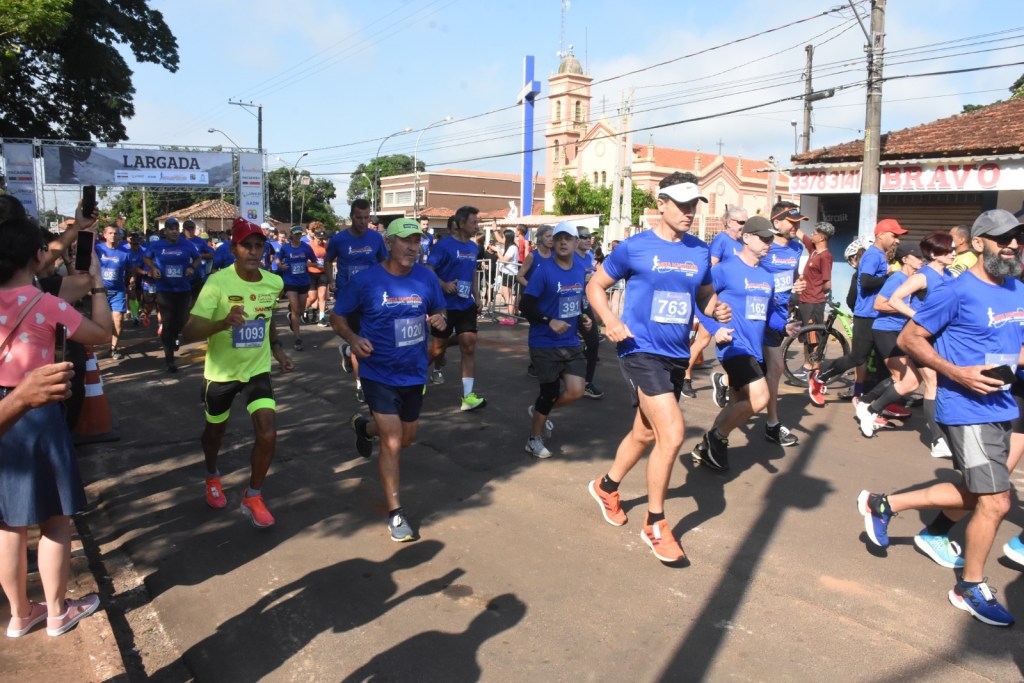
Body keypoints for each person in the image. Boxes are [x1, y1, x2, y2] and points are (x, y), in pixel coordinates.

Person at [859, 208, 1024, 627]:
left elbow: (1015, 347)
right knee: (997, 500)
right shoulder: (956, 290)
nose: (1012, 244)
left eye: (1016, 238)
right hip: (965, 408)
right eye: (1003, 238)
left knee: (979, 494)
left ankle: (884, 504)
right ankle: (969, 585)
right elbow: (909, 337)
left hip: (1002, 405)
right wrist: (955, 373)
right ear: (980, 243)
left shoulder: (1017, 290)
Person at [583, 172, 730, 564]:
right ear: (660, 204)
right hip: (639, 350)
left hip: (675, 354)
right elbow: (595, 286)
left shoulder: (699, 251)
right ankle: (655, 523)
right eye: (681, 204)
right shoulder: (635, 248)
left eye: (693, 204)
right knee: (673, 431)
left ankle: (606, 485)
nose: (688, 212)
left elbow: (704, 296)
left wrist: (717, 310)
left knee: (645, 432)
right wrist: (609, 321)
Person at [0, 216, 112, 638]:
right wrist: (97, 284)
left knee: (8, 523)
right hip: (39, 412)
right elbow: (101, 333)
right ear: (34, 256)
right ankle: (57, 611)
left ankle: (17, 614)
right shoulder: (46, 303)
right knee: (53, 519)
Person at [334, 218, 447, 542]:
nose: (413, 247)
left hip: (413, 372)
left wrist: (441, 318)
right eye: (406, 240)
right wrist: (353, 340)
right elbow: (337, 316)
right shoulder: (367, 280)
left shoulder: (426, 277)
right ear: (389, 243)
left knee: (406, 437)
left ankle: (363, 428)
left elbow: (440, 311)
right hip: (378, 372)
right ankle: (396, 512)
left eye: (417, 241)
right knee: (394, 440)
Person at [182, 217, 294, 529]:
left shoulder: (274, 283)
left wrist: (279, 351)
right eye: (247, 245)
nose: (254, 251)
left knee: (268, 433)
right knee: (215, 433)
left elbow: (268, 321)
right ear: (234, 249)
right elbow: (189, 331)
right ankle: (212, 476)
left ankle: (253, 495)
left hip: (257, 370)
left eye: (259, 246)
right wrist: (222, 323)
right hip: (221, 372)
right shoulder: (217, 282)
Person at [692, 216, 796, 471]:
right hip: (733, 346)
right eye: (764, 238)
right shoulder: (724, 269)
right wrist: (716, 329)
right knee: (759, 398)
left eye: (771, 238)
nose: (769, 243)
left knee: (737, 403)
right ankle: (716, 438)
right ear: (746, 237)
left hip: (755, 347)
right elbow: (698, 300)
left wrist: (783, 326)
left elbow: (768, 312)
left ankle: (706, 448)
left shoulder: (766, 275)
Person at [808, 218, 907, 405]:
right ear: (881, 235)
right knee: (858, 357)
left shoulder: (881, 255)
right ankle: (819, 378)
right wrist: (889, 275)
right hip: (866, 316)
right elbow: (867, 281)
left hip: (880, 315)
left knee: (884, 359)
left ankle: (880, 402)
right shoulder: (872, 255)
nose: (897, 241)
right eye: (894, 236)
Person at [519, 223, 589, 458]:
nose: (562, 242)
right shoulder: (544, 270)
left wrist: (584, 318)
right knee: (548, 393)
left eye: (567, 238)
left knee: (577, 390)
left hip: (569, 342)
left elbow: (576, 302)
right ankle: (533, 439)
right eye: (558, 238)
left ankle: (541, 410)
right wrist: (549, 320)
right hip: (544, 341)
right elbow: (525, 305)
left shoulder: (580, 269)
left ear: (575, 242)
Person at [884, 231, 956, 456]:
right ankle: (937, 440)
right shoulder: (922, 276)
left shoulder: (950, 275)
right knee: (931, 383)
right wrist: (917, 316)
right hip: (921, 338)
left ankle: (870, 405)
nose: (953, 253)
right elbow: (895, 299)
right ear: (934, 253)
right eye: (948, 250)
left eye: (954, 249)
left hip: (943, 337)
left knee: (941, 383)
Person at [853, 242, 925, 437]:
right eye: (917, 256)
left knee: (900, 378)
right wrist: (904, 309)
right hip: (885, 331)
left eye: (922, 257)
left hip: (899, 333)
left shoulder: (914, 279)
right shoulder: (897, 279)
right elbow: (879, 304)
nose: (922, 259)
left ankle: (866, 403)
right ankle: (870, 408)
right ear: (906, 259)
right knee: (906, 378)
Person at [326, 199, 388, 403]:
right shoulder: (339, 239)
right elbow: (328, 259)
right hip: (348, 296)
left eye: (366, 218)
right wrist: (330, 280)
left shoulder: (376, 239)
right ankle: (360, 384)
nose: (363, 222)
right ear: (351, 216)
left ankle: (349, 352)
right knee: (358, 339)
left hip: (371, 297)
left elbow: (383, 263)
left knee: (369, 338)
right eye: (359, 218)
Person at [426, 206, 487, 411]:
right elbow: (428, 270)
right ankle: (413, 377)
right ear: (461, 224)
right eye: (474, 222)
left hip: (465, 304)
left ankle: (468, 396)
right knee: (437, 348)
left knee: (469, 344)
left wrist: (477, 297)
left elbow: (472, 274)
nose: (476, 226)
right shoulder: (444, 246)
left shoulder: (472, 247)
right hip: (443, 306)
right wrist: (443, 285)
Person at [684, 206, 748, 399]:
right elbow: (710, 270)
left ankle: (726, 381)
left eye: (746, 222)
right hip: (716, 300)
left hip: (732, 301)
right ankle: (685, 377)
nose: (744, 226)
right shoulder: (722, 240)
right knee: (703, 340)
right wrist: (710, 299)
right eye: (741, 222)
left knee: (730, 340)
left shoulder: (740, 244)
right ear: (729, 222)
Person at [759, 201, 808, 447]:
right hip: (757, 315)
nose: (796, 227)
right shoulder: (762, 247)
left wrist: (796, 287)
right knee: (767, 369)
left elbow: (792, 279)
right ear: (776, 223)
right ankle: (771, 423)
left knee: (773, 369)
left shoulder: (796, 249)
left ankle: (771, 423)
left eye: (799, 222)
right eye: (792, 222)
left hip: (779, 317)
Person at [144, 217, 202, 373]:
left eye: (177, 228)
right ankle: (169, 359)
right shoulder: (156, 245)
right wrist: (153, 268)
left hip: (183, 289)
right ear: (166, 231)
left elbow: (198, 258)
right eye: (171, 229)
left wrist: (192, 267)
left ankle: (174, 336)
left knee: (182, 321)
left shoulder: (187, 244)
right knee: (168, 323)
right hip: (164, 289)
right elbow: (146, 257)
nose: (174, 231)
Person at [793, 221, 835, 380]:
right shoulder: (813, 250)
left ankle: (815, 370)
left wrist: (816, 291)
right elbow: (800, 234)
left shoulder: (825, 256)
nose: (812, 235)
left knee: (813, 337)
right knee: (805, 336)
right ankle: (806, 366)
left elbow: (827, 283)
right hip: (805, 300)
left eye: (815, 233)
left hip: (814, 302)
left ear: (822, 237)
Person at [516, 225, 553, 381]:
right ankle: (535, 363)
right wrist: (533, 286)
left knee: (549, 329)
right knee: (538, 328)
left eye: (553, 236)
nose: (551, 239)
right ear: (540, 238)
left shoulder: (556, 255)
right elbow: (519, 276)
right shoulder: (533, 256)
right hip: (532, 299)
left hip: (549, 299)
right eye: (548, 236)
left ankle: (546, 361)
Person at [275, 226, 317, 351]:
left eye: (300, 234)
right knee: (295, 310)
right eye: (296, 234)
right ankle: (297, 338)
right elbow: (278, 260)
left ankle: (293, 320)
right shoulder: (285, 247)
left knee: (301, 309)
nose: (298, 236)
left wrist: (310, 264)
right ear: (291, 235)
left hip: (303, 281)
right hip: (290, 282)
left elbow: (315, 262)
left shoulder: (306, 247)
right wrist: (281, 266)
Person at [574, 226, 605, 398]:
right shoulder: (569, 258)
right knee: (561, 344)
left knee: (593, 342)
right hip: (568, 304)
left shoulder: (590, 257)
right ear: (575, 239)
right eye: (584, 236)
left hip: (584, 305)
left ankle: (587, 383)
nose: (588, 239)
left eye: (589, 236)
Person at [96, 224, 132, 359]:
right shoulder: (97, 249)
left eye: (116, 233)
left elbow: (130, 269)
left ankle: (113, 348)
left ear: (120, 236)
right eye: (110, 233)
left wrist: (132, 280)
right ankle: (98, 347)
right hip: (100, 291)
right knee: (101, 322)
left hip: (118, 291)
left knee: (118, 319)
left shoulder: (125, 252)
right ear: (104, 235)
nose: (113, 236)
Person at [182, 220, 213, 306]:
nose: (191, 231)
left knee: (195, 301)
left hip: (197, 275)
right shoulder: (179, 241)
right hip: (182, 275)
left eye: (192, 229)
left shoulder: (200, 241)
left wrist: (199, 256)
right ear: (184, 230)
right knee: (184, 301)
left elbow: (211, 254)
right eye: (188, 229)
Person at [306, 228, 330, 327]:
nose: (321, 240)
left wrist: (330, 277)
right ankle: (304, 309)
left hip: (322, 273)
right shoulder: (309, 246)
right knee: (312, 297)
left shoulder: (326, 246)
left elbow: (328, 261)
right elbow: (305, 262)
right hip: (311, 273)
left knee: (322, 296)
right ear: (314, 237)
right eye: (319, 238)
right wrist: (313, 264)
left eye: (322, 238)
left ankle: (322, 318)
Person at [495, 229, 519, 316]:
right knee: (509, 296)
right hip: (510, 273)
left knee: (507, 297)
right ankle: (511, 315)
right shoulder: (513, 246)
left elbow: (504, 260)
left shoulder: (512, 247)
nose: (503, 239)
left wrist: (497, 251)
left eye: (504, 237)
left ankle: (511, 317)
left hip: (509, 274)